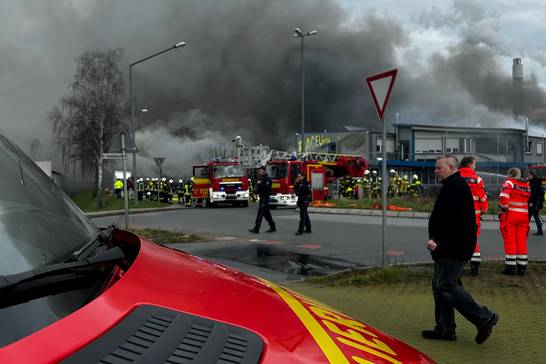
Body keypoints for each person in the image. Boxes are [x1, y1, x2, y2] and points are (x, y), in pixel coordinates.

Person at [423, 155, 498, 344]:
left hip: (453, 247)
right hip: (452, 246)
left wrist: (437, 241)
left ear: (450, 167)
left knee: (446, 285)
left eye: (438, 168)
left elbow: (452, 220)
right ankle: (445, 328)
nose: (435, 171)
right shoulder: (453, 185)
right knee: (440, 286)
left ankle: (484, 318)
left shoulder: (455, 187)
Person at [459, 156, 488, 276]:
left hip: (458, 215)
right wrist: (484, 210)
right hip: (473, 216)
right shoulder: (478, 179)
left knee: (458, 239)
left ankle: (458, 266)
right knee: (473, 239)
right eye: (474, 164)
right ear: (469, 164)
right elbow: (483, 198)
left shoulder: (456, 176)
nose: (475, 167)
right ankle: (475, 264)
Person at [499, 167, 531, 276]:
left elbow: (504, 197)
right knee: (521, 241)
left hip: (511, 215)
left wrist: (504, 207)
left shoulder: (509, 183)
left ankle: (511, 267)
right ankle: (522, 268)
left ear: (509, 174)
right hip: (524, 216)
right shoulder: (526, 185)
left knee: (510, 240)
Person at [249, 166, 276, 233]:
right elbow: (259, 188)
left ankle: (256, 228)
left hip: (265, 198)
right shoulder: (261, 178)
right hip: (262, 197)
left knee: (260, 213)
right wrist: (254, 192)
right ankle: (272, 226)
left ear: (264, 171)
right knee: (266, 214)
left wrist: (260, 184)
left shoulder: (267, 179)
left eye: (260, 171)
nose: (259, 172)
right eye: (259, 171)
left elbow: (266, 187)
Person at [528, 171, 544, 236]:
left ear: (532, 175)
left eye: (529, 175)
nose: (528, 177)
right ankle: (540, 231)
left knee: (531, 217)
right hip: (536, 203)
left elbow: (533, 193)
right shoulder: (536, 182)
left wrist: (531, 202)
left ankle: (524, 230)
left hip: (533, 203)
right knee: (534, 217)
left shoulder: (534, 183)